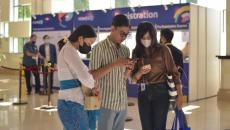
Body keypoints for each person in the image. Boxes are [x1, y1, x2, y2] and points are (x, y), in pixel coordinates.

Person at [132, 22, 183, 130]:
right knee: (146, 127)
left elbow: (174, 73)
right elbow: (133, 79)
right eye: (143, 37)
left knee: (159, 127)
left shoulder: (163, 50)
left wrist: (180, 95)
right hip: (143, 93)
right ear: (138, 37)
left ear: (153, 36)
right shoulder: (136, 52)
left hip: (161, 92)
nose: (146, 40)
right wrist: (139, 72)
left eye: (148, 37)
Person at [90, 14, 135, 130]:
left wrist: (129, 69)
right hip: (106, 104)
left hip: (122, 103)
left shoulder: (125, 50)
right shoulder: (98, 49)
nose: (124, 37)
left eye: (126, 35)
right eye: (122, 33)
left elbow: (123, 77)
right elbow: (92, 76)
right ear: (113, 28)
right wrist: (114, 64)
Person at [57, 25, 100, 130]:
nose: (89, 46)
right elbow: (84, 75)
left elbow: (83, 73)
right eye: (89, 43)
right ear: (80, 38)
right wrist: (94, 86)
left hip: (71, 102)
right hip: (71, 103)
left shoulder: (70, 50)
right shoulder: (69, 50)